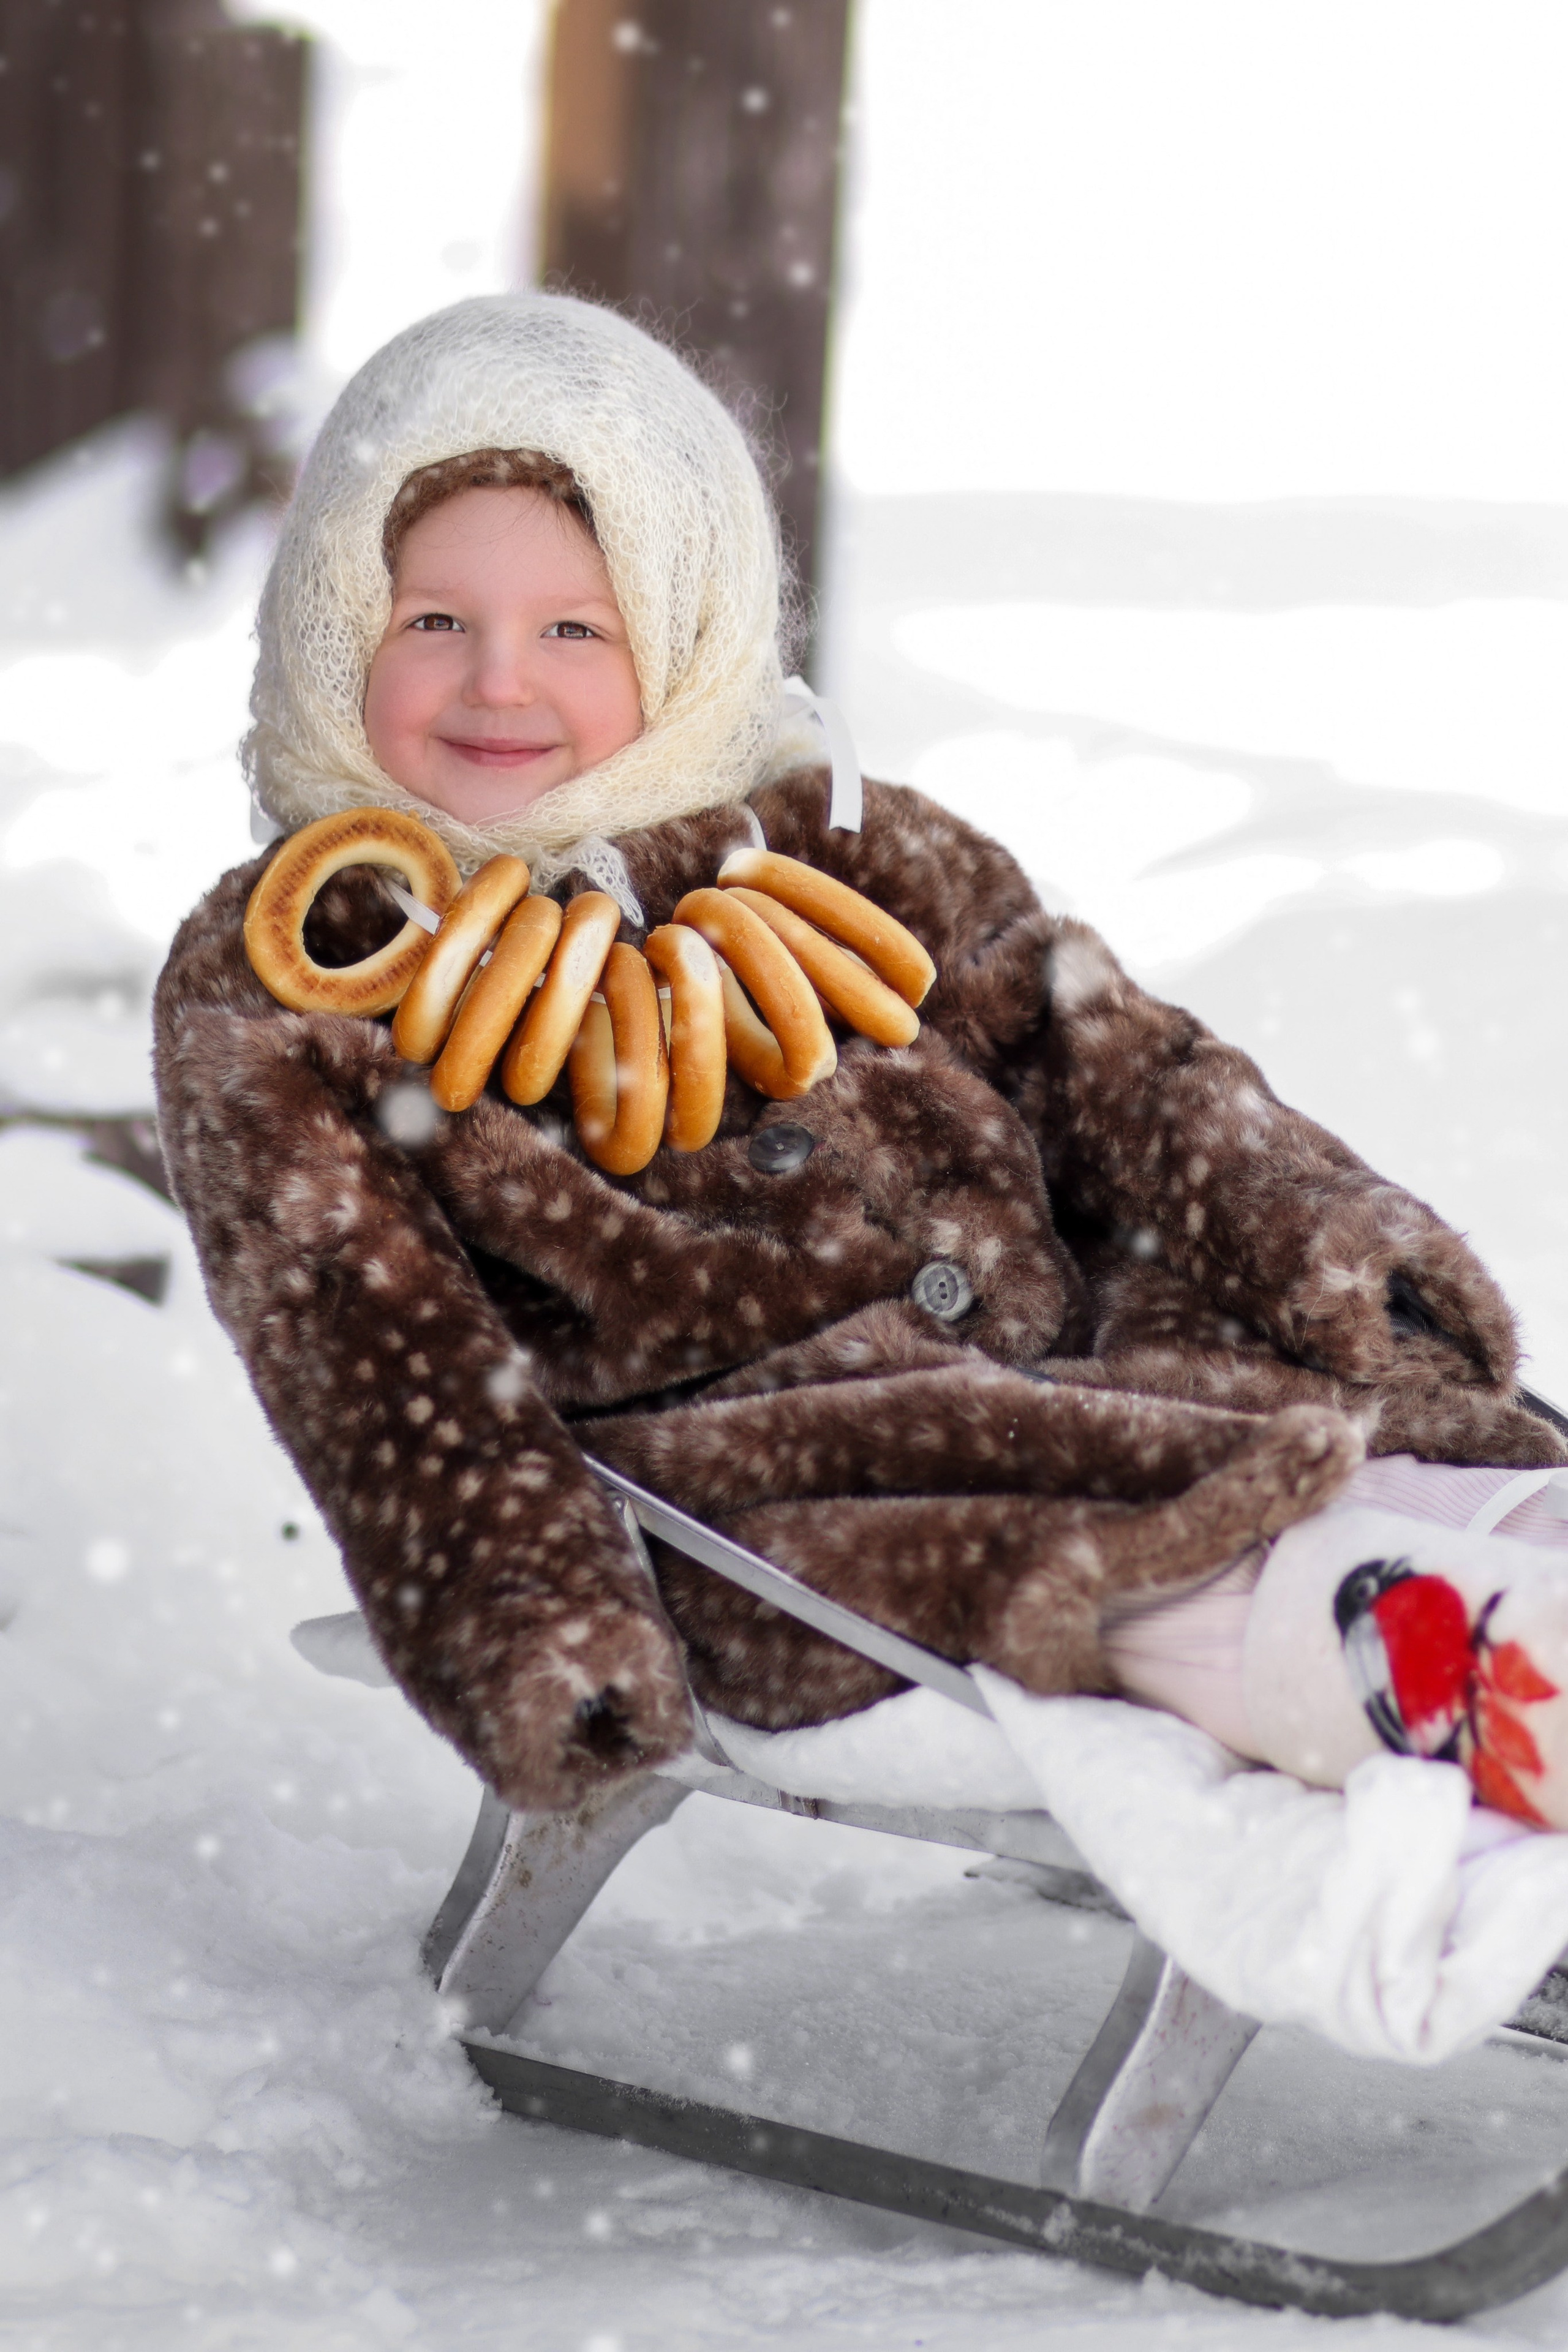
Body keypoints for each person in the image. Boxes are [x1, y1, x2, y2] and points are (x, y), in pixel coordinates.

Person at [153, 292, 1568, 1832]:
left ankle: (1498, 1564)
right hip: (785, 1503)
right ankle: (1433, 1678)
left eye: (575, 628)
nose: (501, 681)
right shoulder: (306, 975)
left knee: (1443, 1468)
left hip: (1098, 1351)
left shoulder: (839, 847)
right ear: (336, 632)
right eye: (436, 624)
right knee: (1182, 1568)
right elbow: (375, 1356)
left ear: (683, 640)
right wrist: (527, 1619)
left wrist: (1319, 1231)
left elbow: (1114, 1055)